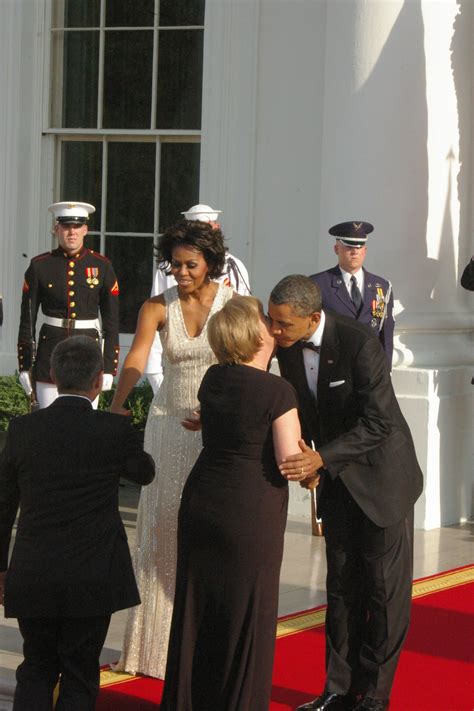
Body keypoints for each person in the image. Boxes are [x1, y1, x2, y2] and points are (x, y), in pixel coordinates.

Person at [268, 275, 423, 711]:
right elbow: (302, 410)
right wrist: (311, 460)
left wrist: (322, 459)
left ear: (313, 318)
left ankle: (374, 695)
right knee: (340, 589)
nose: (275, 332)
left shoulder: (359, 343)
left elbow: (379, 424)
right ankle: (337, 690)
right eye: (273, 321)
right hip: (336, 482)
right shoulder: (287, 349)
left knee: (384, 595)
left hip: (382, 483)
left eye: (283, 324)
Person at [161, 295, 301, 710]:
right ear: (253, 334)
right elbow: (288, 460)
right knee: (248, 614)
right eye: (264, 322)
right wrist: (317, 464)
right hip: (249, 508)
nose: (271, 328)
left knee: (197, 609)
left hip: (202, 500)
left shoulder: (213, 378)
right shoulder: (278, 391)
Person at [0, 336, 155, 711]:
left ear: (52, 375)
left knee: (36, 667)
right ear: (99, 380)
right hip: (92, 574)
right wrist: (128, 431)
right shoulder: (112, 431)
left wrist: (1, 569)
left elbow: (4, 506)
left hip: (35, 571)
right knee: (80, 671)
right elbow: (145, 472)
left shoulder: (22, 429)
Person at [110, 219, 233, 679]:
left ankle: (200, 646)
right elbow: (138, 358)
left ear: (211, 264)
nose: (180, 273)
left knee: (205, 533)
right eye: (175, 264)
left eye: (190, 265)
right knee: (160, 530)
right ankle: (151, 649)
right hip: (166, 426)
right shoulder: (155, 307)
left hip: (215, 429)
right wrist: (118, 405)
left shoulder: (234, 305)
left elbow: (248, 364)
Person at [17, 201, 120, 409]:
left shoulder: (102, 266)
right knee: (49, 422)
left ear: (85, 229)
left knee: (86, 427)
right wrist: (25, 366)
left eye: (77, 226)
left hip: (88, 352)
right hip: (51, 352)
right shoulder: (40, 266)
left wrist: (109, 367)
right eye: (66, 227)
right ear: (56, 229)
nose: (71, 232)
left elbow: (111, 321)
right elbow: (27, 319)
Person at [145, 203, 250, 394]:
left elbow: (245, 326)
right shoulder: (168, 269)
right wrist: (153, 371)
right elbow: (155, 317)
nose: (183, 272)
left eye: (205, 226)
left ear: (215, 228)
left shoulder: (235, 266)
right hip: (177, 370)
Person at [310, 221, 394, 368]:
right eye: (349, 246)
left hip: (370, 368)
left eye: (359, 247)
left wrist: (386, 372)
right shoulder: (318, 284)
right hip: (335, 368)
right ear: (337, 249)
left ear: (365, 251)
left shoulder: (382, 286)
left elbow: (385, 336)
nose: (355, 251)